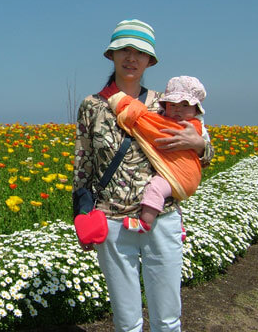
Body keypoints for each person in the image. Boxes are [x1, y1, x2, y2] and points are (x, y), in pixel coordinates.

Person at [73, 19, 213, 332]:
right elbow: (83, 163)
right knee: (127, 321)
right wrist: (81, 216)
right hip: (111, 222)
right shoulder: (92, 106)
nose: (131, 58)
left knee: (167, 318)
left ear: (150, 60)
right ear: (111, 55)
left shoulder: (166, 103)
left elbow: (202, 149)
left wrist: (201, 144)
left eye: (139, 52)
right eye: (124, 50)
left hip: (162, 220)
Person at [105, 75, 208, 233]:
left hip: (182, 176)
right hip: (113, 209)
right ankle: (180, 226)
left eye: (185, 105)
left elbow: (207, 154)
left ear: (196, 109)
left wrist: (199, 145)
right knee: (167, 195)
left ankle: (145, 222)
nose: (178, 109)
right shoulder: (159, 117)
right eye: (172, 105)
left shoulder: (191, 126)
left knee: (156, 188)